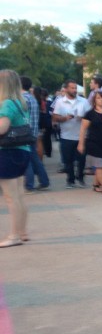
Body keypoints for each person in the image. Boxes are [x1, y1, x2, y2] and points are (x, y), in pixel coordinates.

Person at [0, 70, 31, 247]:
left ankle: (14, 236)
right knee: (19, 195)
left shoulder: (5, 104)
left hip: (8, 152)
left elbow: (2, 128)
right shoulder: (20, 102)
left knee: (11, 197)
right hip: (21, 150)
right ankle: (21, 231)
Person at [53, 79, 90, 188]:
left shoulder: (83, 101)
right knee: (68, 160)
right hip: (66, 135)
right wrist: (64, 118)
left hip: (81, 136)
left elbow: (90, 116)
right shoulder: (60, 101)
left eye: (75, 88)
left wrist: (82, 117)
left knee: (82, 160)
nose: (74, 90)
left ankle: (81, 178)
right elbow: (55, 117)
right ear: (66, 89)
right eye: (72, 88)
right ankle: (70, 180)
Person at [21, 76, 50, 193]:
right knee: (35, 159)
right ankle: (44, 181)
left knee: (27, 160)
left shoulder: (23, 99)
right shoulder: (32, 98)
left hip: (24, 134)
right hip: (33, 133)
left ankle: (29, 185)